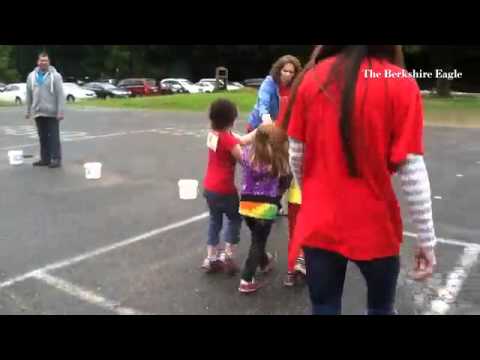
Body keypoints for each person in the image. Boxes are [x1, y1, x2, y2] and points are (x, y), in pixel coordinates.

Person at [282, 45, 437, 315]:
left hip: (320, 222)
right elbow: (412, 170)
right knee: (381, 307)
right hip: (375, 224)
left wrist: (313, 195)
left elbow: (296, 152)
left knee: (324, 306)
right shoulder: (399, 82)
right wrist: (426, 240)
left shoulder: (312, 78)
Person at [202, 99, 256, 275]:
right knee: (234, 219)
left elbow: (235, 141)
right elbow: (244, 160)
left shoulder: (213, 134)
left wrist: (252, 135)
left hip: (209, 186)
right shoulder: (228, 139)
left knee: (214, 220)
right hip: (224, 188)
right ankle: (228, 255)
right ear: (231, 119)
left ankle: (211, 257)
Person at [237, 124, 291, 293]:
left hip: (246, 205)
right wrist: (278, 194)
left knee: (256, 237)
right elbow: (286, 179)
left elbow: (238, 144)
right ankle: (246, 278)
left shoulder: (247, 155)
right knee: (258, 242)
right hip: (266, 207)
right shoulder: (278, 158)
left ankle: (264, 262)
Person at [26, 51, 65, 169]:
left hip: (52, 113)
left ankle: (56, 159)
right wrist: (28, 110)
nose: (43, 62)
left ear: (49, 62)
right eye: (41, 60)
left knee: (53, 137)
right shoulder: (32, 76)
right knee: (42, 137)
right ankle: (45, 159)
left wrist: (60, 111)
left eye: (46, 60)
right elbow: (29, 94)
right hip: (38, 112)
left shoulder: (55, 76)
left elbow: (60, 95)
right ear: (38, 62)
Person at [246, 55, 302, 133]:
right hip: (258, 125)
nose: (288, 74)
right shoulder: (269, 82)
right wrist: (265, 116)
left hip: (281, 127)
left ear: (295, 74)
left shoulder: (296, 86)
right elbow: (263, 102)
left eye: (291, 72)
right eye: (285, 71)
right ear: (279, 71)